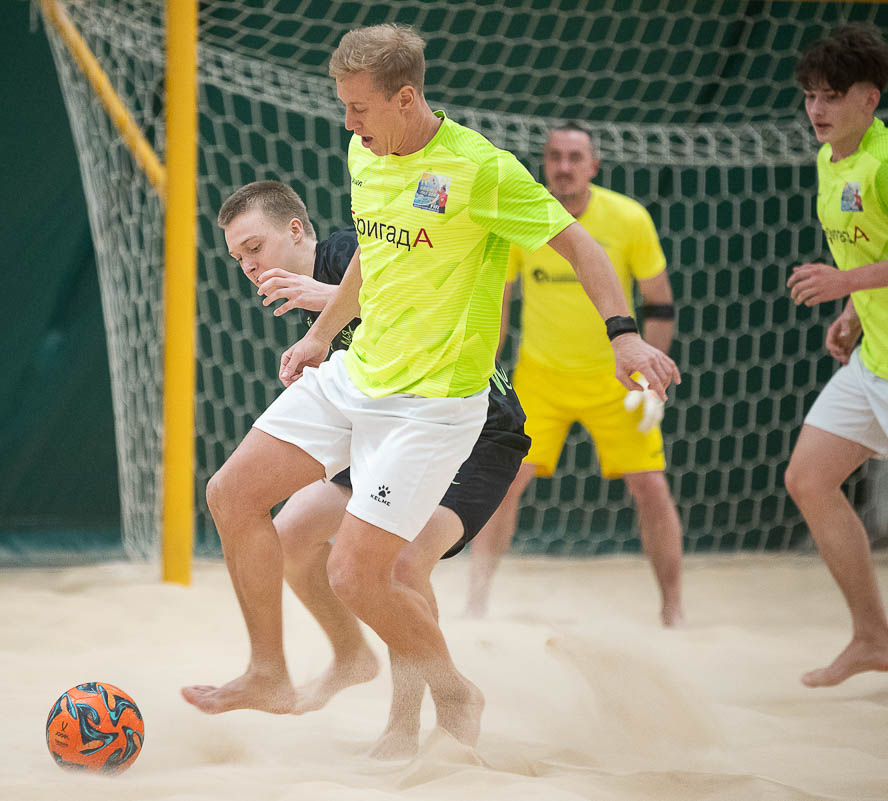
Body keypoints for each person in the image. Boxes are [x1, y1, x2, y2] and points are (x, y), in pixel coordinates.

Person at [181, 23, 679, 749]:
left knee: (365, 572)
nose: (346, 122)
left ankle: (448, 697)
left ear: (405, 98)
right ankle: (271, 669)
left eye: (358, 107)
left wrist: (624, 334)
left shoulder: (480, 169)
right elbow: (374, 250)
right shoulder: (366, 152)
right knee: (233, 495)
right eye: (343, 105)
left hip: (441, 407)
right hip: (361, 376)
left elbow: (579, 245)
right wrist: (320, 336)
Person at [211, 179, 530, 757]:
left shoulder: (348, 253)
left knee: (398, 568)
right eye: (238, 259)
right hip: (386, 422)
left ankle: (409, 722)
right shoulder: (307, 295)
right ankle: (350, 655)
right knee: (289, 536)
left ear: (297, 230)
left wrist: (325, 299)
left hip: (474, 428)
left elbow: (416, 291)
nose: (249, 266)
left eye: (254, 248)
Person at [465, 122, 685, 627]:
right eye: (555, 156)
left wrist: (650, 374)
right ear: (544, 163)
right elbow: (499, 302)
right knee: (502, 484)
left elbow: (660, 303)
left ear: (594, 166)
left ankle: (673, 611)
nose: (564, 167)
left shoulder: (629, 218)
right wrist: (485, 373)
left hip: (616, 380)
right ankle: (475, 604)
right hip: (540, 379)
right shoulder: (524, 216)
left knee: (651, 487)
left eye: (574, 157)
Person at [784, 22, 888, 688]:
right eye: (810, 95)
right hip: (874, 359)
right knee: (809, 478)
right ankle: (873, 637)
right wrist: (853, 310)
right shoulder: (828, 160)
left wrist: (845, 282)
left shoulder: (884, 160)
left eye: (833, 95)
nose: (817, 108)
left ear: (869, 99)